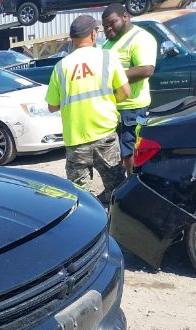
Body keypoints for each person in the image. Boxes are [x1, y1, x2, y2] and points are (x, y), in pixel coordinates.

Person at [46, 15, 131, 204]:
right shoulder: (108, 57)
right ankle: (116, 227)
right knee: (117, 188)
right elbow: (126, 92)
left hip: (76, 141)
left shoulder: (61, 67)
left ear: (72, 39)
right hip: (105, 137)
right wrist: (107, 101)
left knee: (79, 197)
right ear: (93, 34)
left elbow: (52, 106)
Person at [102, 2, 157, 175]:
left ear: (125, 17)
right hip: (113, 108)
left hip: (132, 108)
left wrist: (113, 77)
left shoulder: (140, 38)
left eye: (112, 23)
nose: (108, 29)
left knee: (129, 151)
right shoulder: (109, 44)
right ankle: (121, 183)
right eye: (104, 27)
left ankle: (133, 184)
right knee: (116, 151)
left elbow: (146, 69)